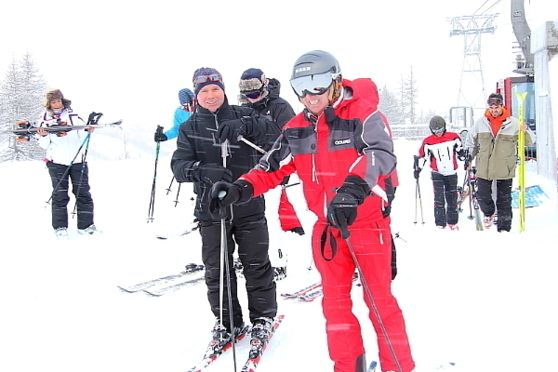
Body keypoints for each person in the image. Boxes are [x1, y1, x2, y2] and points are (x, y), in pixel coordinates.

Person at [210, 51, 414, 372]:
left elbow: (380, 154)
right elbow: (271, 167)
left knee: (380, 303)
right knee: (334, 306)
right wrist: (240, 188)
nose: (309, 94)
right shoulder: (296, 128)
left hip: (367, 224)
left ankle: (398, 367)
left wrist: (352, 189)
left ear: (334, 80)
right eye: (301, 86)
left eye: (317, 84)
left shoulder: (364, 115)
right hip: (328, 229)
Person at [170, 67, 281, 352]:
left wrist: (245, 127)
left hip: (248, 203)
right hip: (212, 208)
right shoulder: (189, 127)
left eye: (215, 89)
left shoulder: (245, 114)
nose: (210, 96)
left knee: (256, 264)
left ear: (223, 90)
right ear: (197, 95)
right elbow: (179, 166)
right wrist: (202, 169)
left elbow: (275, 135)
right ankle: (228, 321)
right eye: (204, 91)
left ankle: (263, 319)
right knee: (216, 268)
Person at [238, 68, 303, 279]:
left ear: (264, 85)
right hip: (250, 170)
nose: (252, 98)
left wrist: (274, 157)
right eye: (247, 94)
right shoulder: (244, 107)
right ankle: (250, 257)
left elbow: (292, 138)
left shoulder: (279, 106)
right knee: (247, 216)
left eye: (255, 93)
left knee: (268, 216)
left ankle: (277, 262)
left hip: (273, 170)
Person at [464, 93, 535, 232]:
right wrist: (468, 158)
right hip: (484, 167)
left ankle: (504, 228)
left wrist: (525, 131)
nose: (494, 110)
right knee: (482, 195)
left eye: (496, 107)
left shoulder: (514, 123)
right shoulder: (481, 123)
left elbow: (530, 141)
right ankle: (489, 213)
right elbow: (471, 142)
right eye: (491, 107)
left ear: (502, 106)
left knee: (504, 200)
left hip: (505, 168)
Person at [35, 89, 99, 239]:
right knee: (60, 195)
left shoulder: (73, 116)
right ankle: (60, 227)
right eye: (53, 101)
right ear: (49, 104)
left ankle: (86, 226)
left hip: (78, 161)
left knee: (83, 193)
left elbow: (82, 134)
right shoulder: (43, 119)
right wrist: (43, 135)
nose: (57, 104)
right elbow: (44, 145)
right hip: (57, 162)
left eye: (58, 101)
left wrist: (89, 129)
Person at [415, 115, 464, 230]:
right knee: (439, 198)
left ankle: (452, 222)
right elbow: (423, 156)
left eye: (441, 130)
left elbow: (460, 150)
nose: (439, 133)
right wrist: (418, 169)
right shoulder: (428, 142)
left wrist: (463, 156)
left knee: (452, 198)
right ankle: (440, 223)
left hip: (451, 172)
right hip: (437, 173)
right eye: (436, 131)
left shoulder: (453, 138)